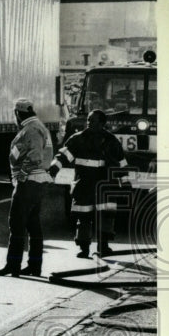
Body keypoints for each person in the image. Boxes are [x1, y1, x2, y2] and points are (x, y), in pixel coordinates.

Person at [48, 109, 130, 258]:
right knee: (83, 215)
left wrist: (125, 183)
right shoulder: (78, 139)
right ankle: (84, 249)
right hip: (84, 183)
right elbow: (63, 156)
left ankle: (103, 247)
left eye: (92, 120)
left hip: (105, 184)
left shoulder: (111, 140)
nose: (89, 123)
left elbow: (121, 163)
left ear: (102, 123)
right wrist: (53, 169)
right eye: (88, 120)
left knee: (106, 215)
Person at [0, 99, 54, 277]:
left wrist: (22, 175)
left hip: (30, 181)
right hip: (38, 181)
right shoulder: (39, 126)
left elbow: (34, 156)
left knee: (17, 223)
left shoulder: (31, 129)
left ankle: (13, 265)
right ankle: (34, 266)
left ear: (18, 113)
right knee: (33, 224)